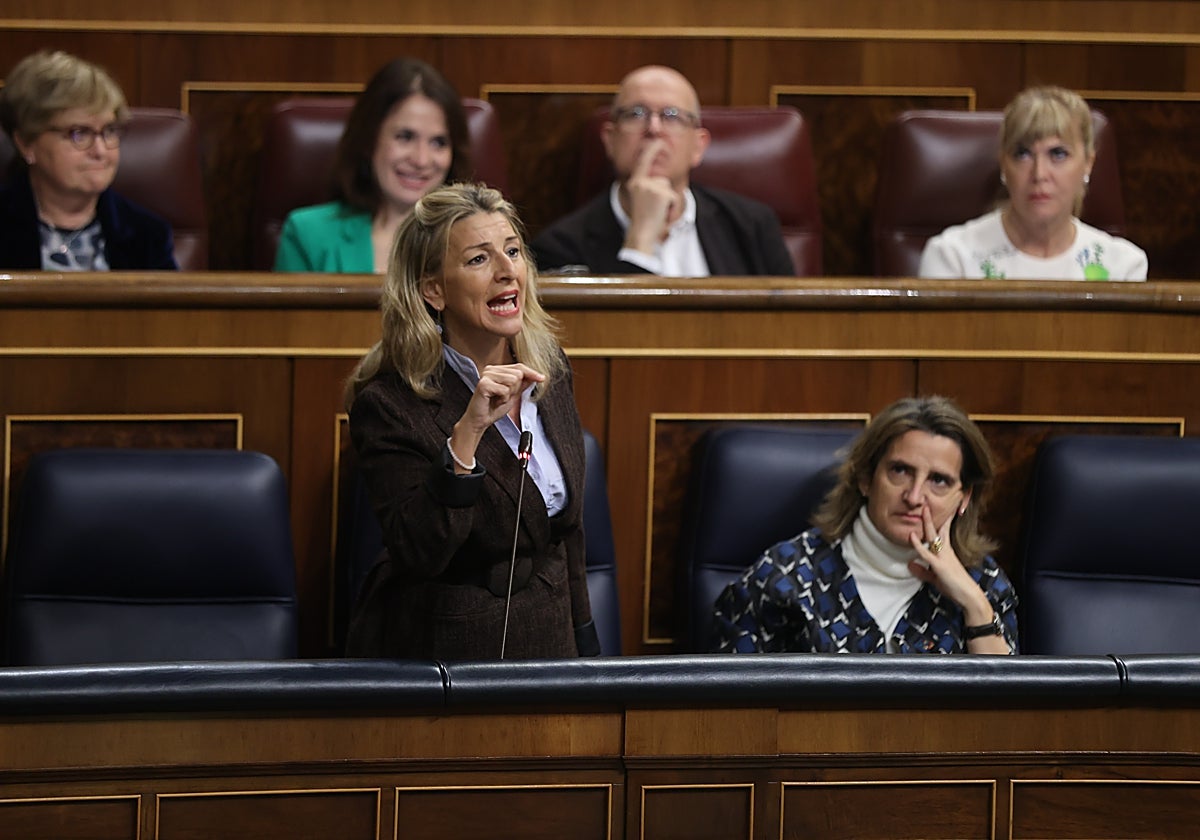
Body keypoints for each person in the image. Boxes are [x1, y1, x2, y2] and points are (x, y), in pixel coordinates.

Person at [344, 182, 599, 660]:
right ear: (433, 290)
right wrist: (468, 434)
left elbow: (567, 533)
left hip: (551, 644)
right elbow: (420, 550)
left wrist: (585, 641)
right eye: (479, 260)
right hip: (447, 653)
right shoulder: (389, 404)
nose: (508, 273)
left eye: (513, 251)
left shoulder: (551, 368)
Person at [713, 396, 1018, 654]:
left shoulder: (986, 584)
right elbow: (731, 711)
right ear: (865, 478)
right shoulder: (785, 577)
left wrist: (975, 606)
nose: (914, 497)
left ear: (963, 497)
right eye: (900, 471)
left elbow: (1007, 715)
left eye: (938, 480)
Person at [531, 65, 795, 277]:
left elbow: (790, 329)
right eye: (636, 113)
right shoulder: (559, 248)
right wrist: (641, 238)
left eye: (672, 115)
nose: (654, 128)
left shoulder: (752, 226)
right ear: (610, 140)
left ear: (698, 146)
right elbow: (602, 338)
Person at [919, 86, 1147, 281]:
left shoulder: (1123, 268)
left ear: (1088, 163)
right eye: (1022, 154)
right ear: (1004, 164)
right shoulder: (953, 258)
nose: (1039, 173)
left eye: (1058, 154)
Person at [274, 58, 470, 273]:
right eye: (404, 137)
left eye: (438, 142)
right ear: (369, 139)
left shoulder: (477, 237)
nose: (421, 160)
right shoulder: (307, 234)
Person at [0, 50, 176, 271]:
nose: (100, 151)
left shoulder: (147, 235)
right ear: (27, 142)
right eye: (79, 133)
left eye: (109, 131)